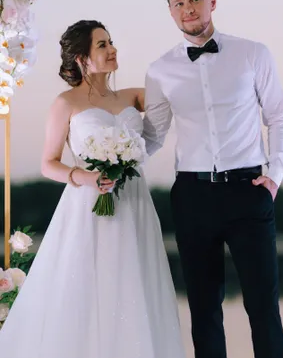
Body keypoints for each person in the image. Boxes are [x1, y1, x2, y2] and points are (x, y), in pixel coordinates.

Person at [0, 20, 186, 358]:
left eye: (110, 42)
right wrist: (86, 178)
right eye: (102, 45)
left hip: (134, 203)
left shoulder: (131, 96)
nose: (112, 49)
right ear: (82, 59)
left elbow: (175, 96)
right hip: (88, 203)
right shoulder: (65, 103)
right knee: (87, 288)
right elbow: (48, 162)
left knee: (136, 283)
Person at [143, 0, 283, 358]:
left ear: (212, 1)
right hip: (192, 197)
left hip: (249, 192)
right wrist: (110, 162)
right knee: (204, 310)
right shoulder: (160, 70)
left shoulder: (253, 53)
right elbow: (153, 135)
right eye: (179, 3)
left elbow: (278, 116)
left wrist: (275, 176)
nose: (187, 9)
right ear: (171, 13)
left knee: (263, 306)